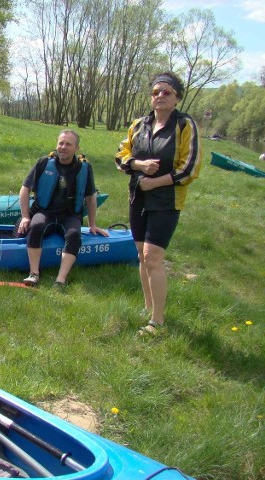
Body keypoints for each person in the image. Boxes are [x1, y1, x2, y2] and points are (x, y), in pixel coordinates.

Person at [115, 72, 202, 335]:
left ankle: (157, 321)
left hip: (167, 200)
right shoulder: (139, 125)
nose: (160, 96)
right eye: (156, 92)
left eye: (166, 92)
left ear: (177, 97)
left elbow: (190, 168)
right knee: (141, 255)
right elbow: (120, 156)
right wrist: (138, 165)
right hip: (138, 197)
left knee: (153, 257)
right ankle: (148, 306)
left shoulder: (185, 125)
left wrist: (156, 182)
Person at [17, 130, 109, 288]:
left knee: (74, 234)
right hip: (44, 212)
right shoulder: (44, 162)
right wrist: (25, 216)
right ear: (56, 145)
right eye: (61, 143)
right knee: (36, 225)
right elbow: (25, 188)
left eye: (68, 144)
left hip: (69, 215)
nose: (63, 147)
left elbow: (90, 197)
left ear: (77, 148)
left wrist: (92, 224)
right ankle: (34, 274)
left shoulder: (84, 168)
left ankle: (60, 279)